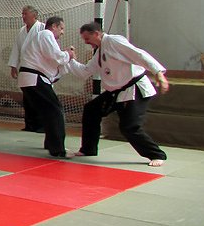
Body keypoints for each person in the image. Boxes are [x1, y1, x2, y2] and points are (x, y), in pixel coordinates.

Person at [68, 22, 170, 167]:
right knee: (91, 109)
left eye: (87, 39)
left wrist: (158, 73)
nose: (86, 42)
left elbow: (139, 54)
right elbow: (84, 72)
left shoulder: (114, 41)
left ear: (96, 34)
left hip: (134, 89)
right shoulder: (99, 51)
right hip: (116, 92)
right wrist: (70, 60)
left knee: (129, 127)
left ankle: (157, 154)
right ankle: (88, 149)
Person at [18, 17, 75, 158]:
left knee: (48, 112)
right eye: (61, 28)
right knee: (55, 111)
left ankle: (51, 144)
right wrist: (68, 54)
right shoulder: (46, 34)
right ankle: (58, 149)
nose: (62, 32)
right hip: (34, 78)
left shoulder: (43, 38)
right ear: (54, 26)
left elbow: (55, 62)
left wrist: (67, 56)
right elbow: (56, 57)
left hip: (32, 79)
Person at [8, 5, 46, 133]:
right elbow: (16, 48)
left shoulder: (42, 28)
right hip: (25, 69)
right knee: (28, 98)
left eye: (25, 14)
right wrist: (13, 66)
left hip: (39, 68)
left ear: (34, 15)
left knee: (39, 98)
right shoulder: (22, 31)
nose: (23, 16)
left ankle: (41, 125)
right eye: (22, 14)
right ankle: (30, 125)